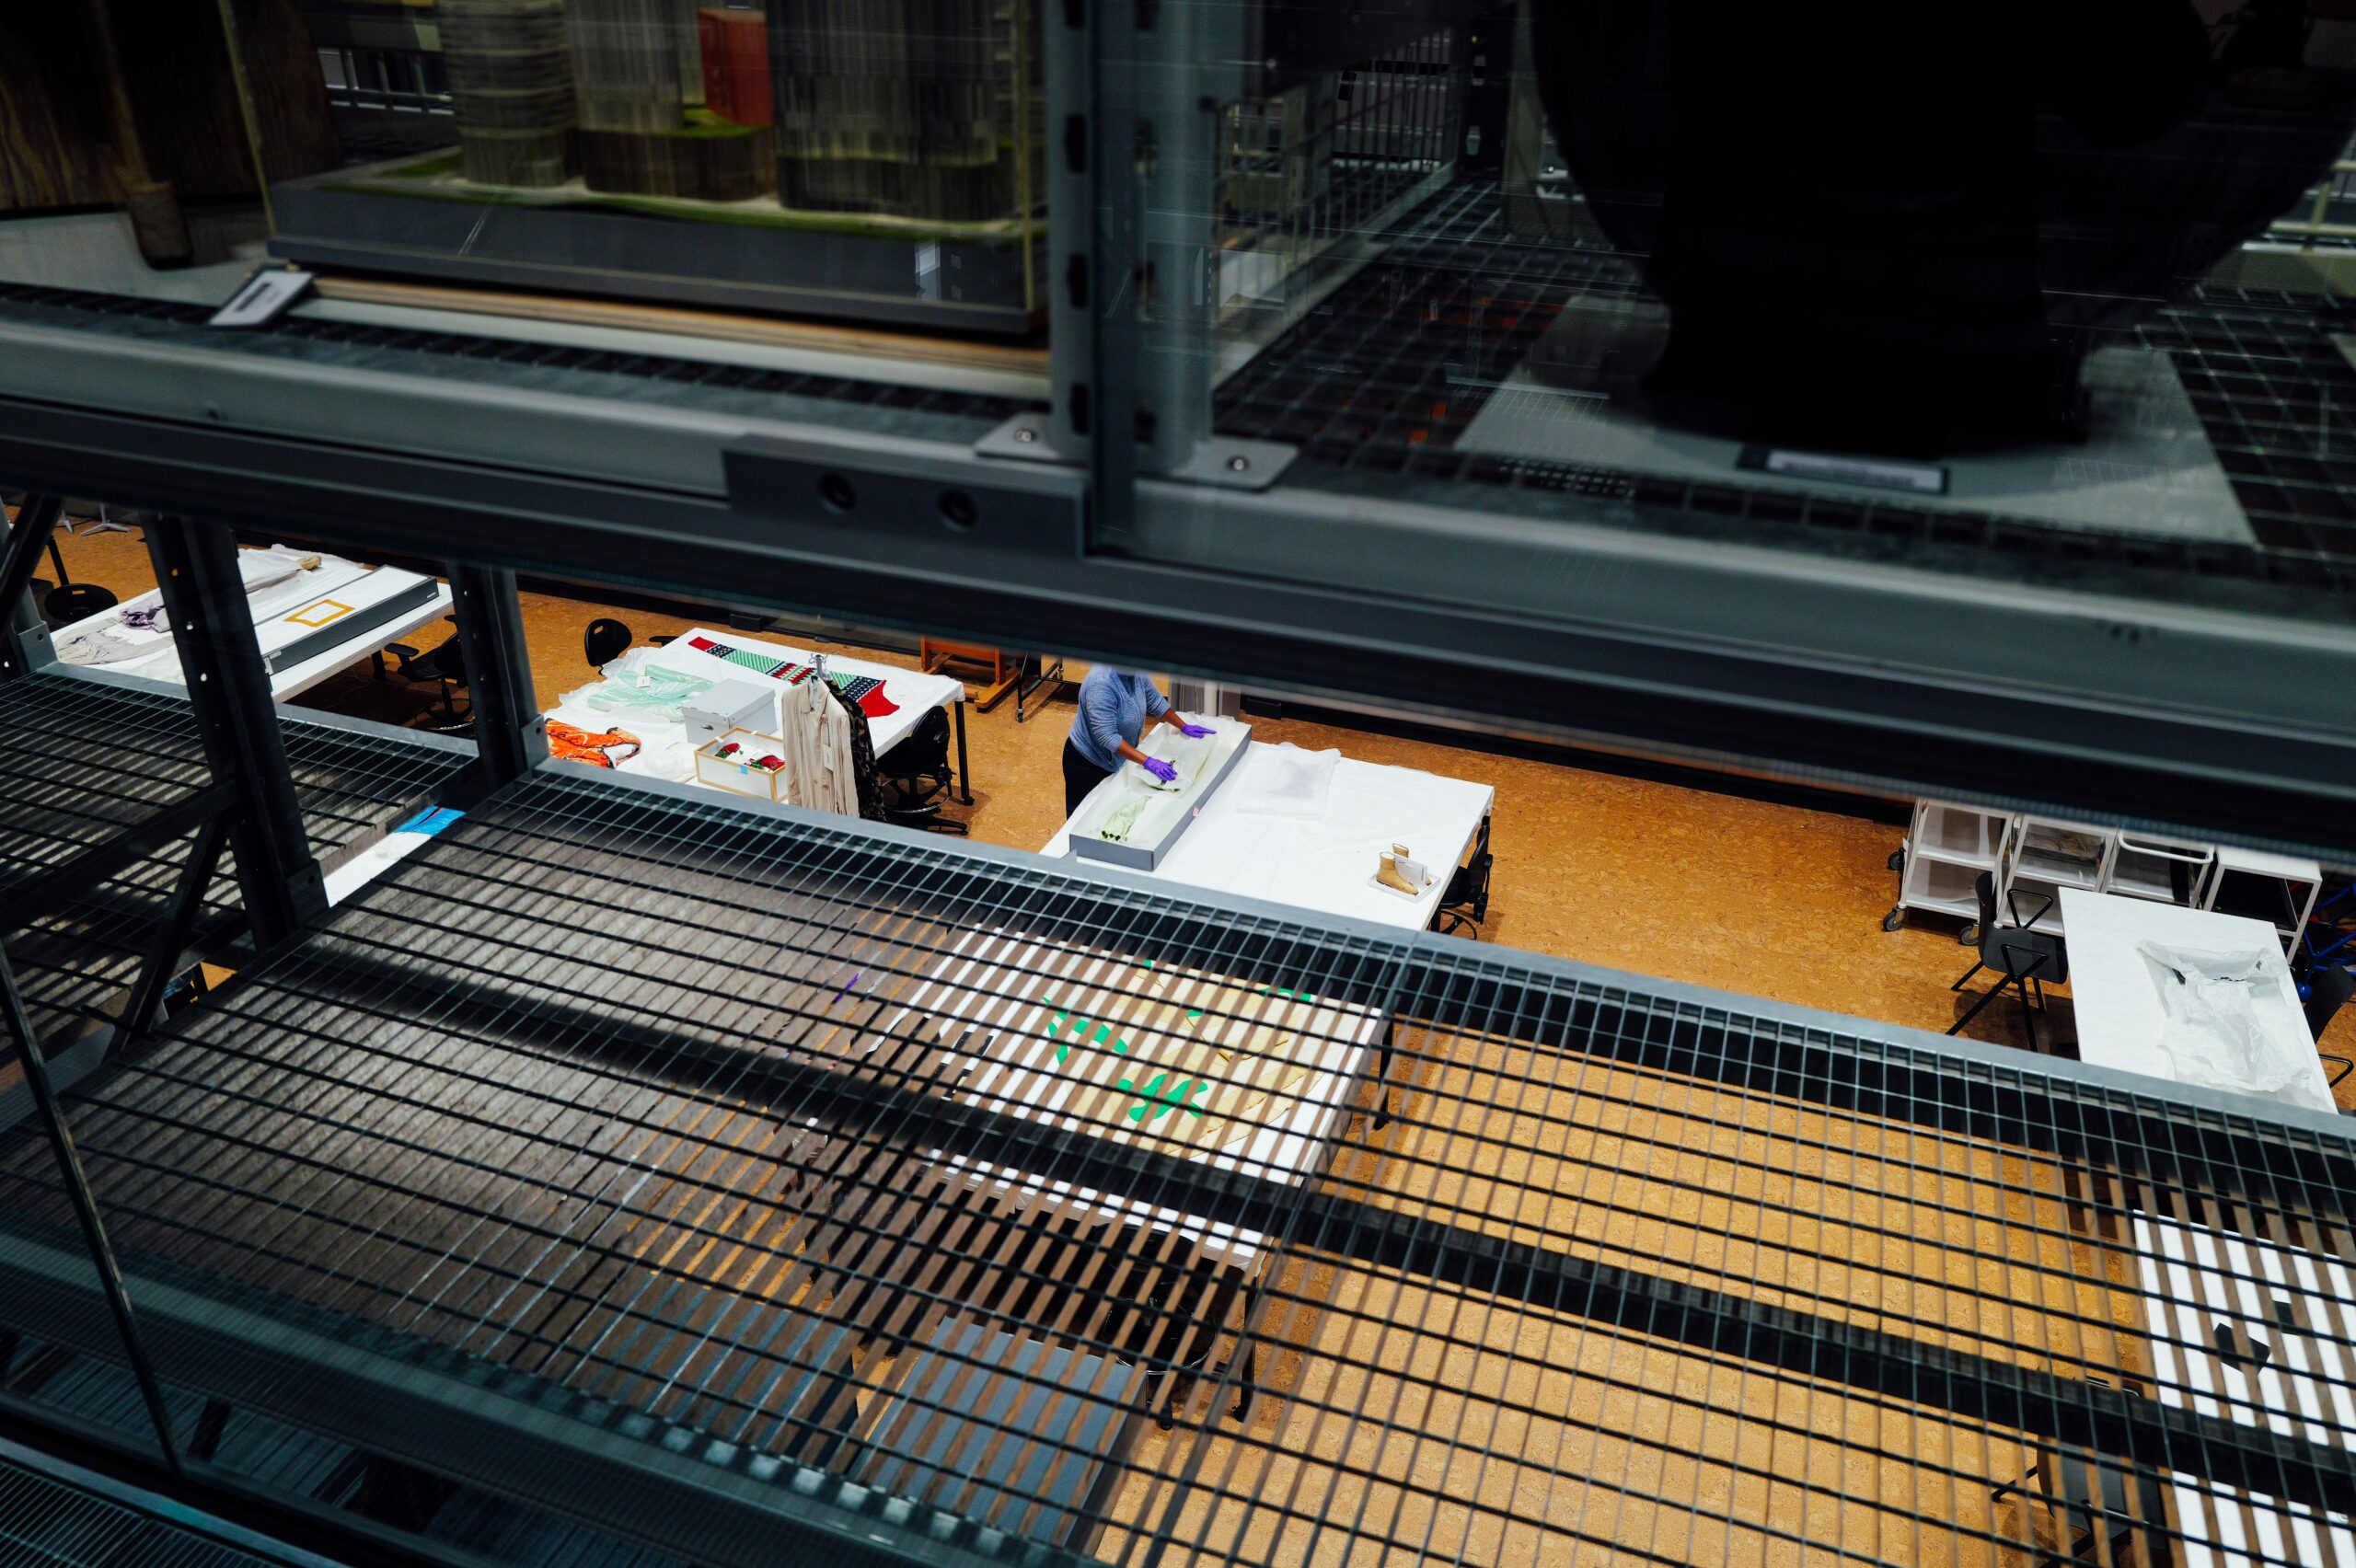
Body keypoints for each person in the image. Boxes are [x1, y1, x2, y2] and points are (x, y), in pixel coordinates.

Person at [1063, 667, 1214, 816]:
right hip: (1086, 764)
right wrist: (1148, 761)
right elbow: (1107, 737)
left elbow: (1155, 702)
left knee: (1108, 807)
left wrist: (1184, 726)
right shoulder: (1101, 684)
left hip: (1115, 758)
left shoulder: (1134, 671)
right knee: (1081, 816)